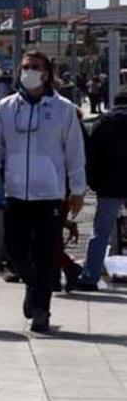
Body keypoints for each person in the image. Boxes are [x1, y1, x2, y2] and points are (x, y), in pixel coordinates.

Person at [0, 50, 87, 332]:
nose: (29, 72)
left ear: (46, 73)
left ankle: (41, 310)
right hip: (16, 192)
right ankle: (31, 283)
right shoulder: (6, 107)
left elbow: (75, 153)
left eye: (35, 67)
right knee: (15, 249)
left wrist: (77, 190)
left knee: (44, 254)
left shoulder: (63, 109)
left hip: (49, 194)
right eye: (25, 66)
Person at [76, 89, 127, 291]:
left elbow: (90, 155)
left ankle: (90, 277)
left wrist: (93, 182)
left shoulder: (102, 123)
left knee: (100, 233)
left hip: (109, 185)